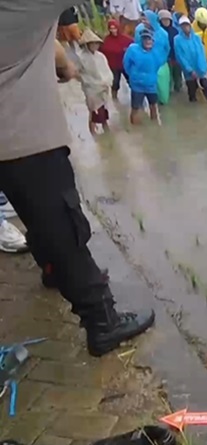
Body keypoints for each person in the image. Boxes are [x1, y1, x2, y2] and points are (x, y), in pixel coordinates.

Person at [0, 0, 156, 357]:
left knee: (35, 217)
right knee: (64, 227)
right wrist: (66, 66)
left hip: (11, 149)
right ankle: (102, 321)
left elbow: (51, 45)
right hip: (26, 140)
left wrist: (61, 61)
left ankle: (52, 270)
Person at [124, 29, 168, 123]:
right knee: (136, 108)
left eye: (149, 39)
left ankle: (155, 127)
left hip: (151, 84)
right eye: (145, 39)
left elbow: (160, 63)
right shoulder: (133, 49)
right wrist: (133, 75)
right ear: (141, 40)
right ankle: (135, 131)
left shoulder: (156, 52)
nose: (147, 41)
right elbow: (126, 64)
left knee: (153, 106)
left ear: (153, 41)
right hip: (137, 85)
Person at [75, 30, 114, 135]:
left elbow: (107, 70)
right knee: (94, 110)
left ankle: (106, 128)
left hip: (103, 86)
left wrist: (107, 81)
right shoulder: (81, 58)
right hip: (91, 88)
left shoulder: (101, 56)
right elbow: (77, 73)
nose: (95, 45)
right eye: (92, 43)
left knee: (104, 109)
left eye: (96, 43)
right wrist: (87, 81)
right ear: (87, 44)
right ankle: (93, 132)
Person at [175, 15, 207, 103]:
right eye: (183, 25)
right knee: (192, 93)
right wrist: (190, 70)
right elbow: (180, 57)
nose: (185, 27)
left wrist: (204, 67)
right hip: (189, 72)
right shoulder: (177, 40)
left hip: (200, 69)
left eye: (186, 25)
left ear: (190, 26)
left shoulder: (197, 38)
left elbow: (202, 53)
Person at [135, 10, 172, 105]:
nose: (143, 22)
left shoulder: (163, 33)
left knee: (164, 97)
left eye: (145, 19)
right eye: (142, 19)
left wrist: (162, 60)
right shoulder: (140, 31)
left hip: (161, 65)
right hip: (147, 66)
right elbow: (137, 47)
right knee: (151, 97)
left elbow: (167, 48)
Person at [101, 19, 135, 100]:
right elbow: (101, 52)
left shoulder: (126, 40)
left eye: (114, 28)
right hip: (114, 66)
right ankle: (114, 99)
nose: (113, 30)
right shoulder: (106, 40)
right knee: (115, 83)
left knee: (132, 81)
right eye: (111, 28)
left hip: (125, 65)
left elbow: (134, 49)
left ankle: (136, 98)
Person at [158, 9, 183, 94]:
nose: (166, 21)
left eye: (168, 19)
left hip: (175, 57)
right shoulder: (159, 32)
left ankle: (178, 90)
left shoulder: (175, 31)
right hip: (164, 59)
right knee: (167, 78)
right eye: (164, 20)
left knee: (177, 76)